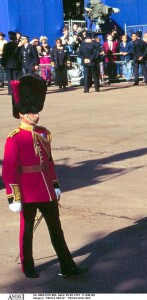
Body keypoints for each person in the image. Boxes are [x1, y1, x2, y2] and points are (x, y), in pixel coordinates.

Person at [2, 74, 88, 279]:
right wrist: (13, 196)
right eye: (32, 112)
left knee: (57, 231)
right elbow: (9, 170)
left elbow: (49, 162)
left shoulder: (43, 133)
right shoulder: (14, 138)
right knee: (27, 232)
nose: (36, 115)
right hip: (28, 191)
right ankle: (27, 266)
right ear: (22, 114)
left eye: (37, 111)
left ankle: (68, 266)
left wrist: (55, 184)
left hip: (46, 190)